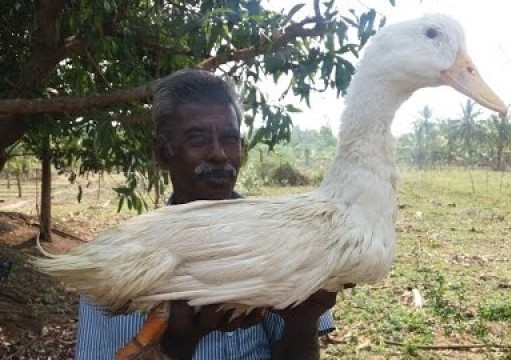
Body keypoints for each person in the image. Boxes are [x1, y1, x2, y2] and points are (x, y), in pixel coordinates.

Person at [74, 68, 338, 360]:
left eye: (229, 138)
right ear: (162, 153)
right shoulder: (115, 263)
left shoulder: (281, 241)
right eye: (197, 139)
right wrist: (174, 349)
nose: (218, 154)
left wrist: (302, 325)